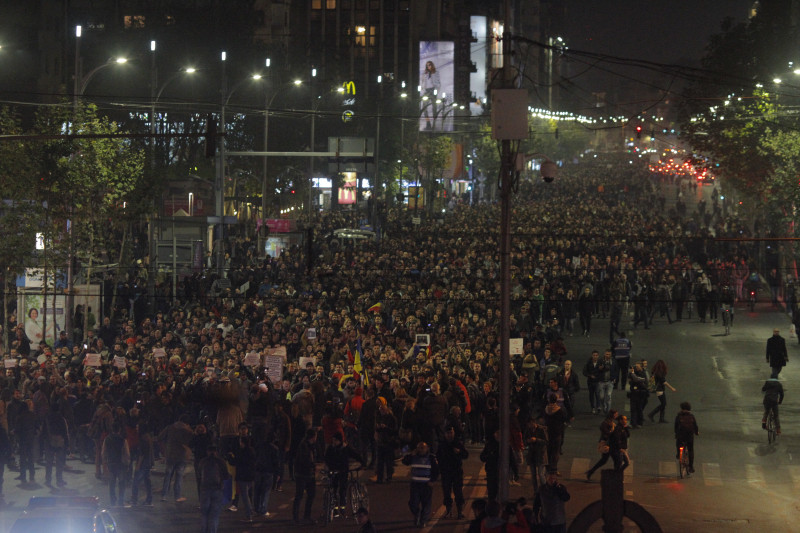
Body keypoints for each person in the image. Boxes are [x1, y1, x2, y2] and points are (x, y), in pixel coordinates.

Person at [402, 441, 439, 528]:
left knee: (426, 504)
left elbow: (436, 470)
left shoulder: (431, 458)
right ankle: (417, 514)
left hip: (426, 485)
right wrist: (411, 455)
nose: (420, 450)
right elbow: (405, 461)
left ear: (427, 448)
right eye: (419, 448)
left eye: (422, 448)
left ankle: (423, 520)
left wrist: (432, 481)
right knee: (413, 503)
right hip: (415, 484)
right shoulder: (414, 456)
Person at [324, 431, 363, 513]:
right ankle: (335, 508)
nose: (334, 442)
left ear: (340, 441)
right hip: (334, 471)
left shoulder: (345, 448)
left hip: (343, 471)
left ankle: (342, 507)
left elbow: (354, 454)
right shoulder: (331, 448)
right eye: (333, 440)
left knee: (342, 489)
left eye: (335, 440)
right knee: (333, 489)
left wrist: (362, 462)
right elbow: (326, 459)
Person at [198, 444, 231, 533]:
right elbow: (226, 476)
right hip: (217, 489)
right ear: (216, 452)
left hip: (205, 489)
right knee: (214, 514)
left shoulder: (202, 461)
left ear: (207, 452)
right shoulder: (221, 461)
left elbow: (199, 474)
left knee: (204, 514)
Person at [438, 425, 468, 519]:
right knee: (446, 492)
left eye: (451, 433)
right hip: (446, 472)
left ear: (454, 433)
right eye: (448, 433)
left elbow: (466, 455)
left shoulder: (458, 443)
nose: (449, 435)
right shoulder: (442, 444)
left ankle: (459, 511)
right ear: (445, 434)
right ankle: (449, 510)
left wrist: (459, 452)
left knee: (458, 491)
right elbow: (438, 456)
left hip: (456, 471)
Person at [292, 428, 317, 525]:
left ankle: (306, 515)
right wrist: (313, 465)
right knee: (299, 495)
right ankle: (295, 517)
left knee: (311, 494)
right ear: (313, 437)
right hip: (302, 474)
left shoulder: (310, 445)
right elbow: (304, 460)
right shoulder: (304, 446)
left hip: (309, 474)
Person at [102, 422, 130, 507]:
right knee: (122, 484)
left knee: (112, 484)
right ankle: (121, 501)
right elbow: (126, 453)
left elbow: (104, 452)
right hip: (120, 464)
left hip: (111, 464)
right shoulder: (123, 440)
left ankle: (112, 501)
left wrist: (105, 463)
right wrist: (127, 463)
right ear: (119, 430)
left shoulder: (107, 439)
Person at [585, 409, 618, 480]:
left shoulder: (610, 422)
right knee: (614, 460)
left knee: (605, 460)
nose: (616, 415)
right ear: (612, 415)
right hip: (607, 443)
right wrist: (613, 433)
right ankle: (616, 477)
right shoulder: (605, 423)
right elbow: (605, 433)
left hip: (610, 443)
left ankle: (591, 471)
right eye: (616, 414)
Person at [43, 401, 69, 488]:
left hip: (49, 441)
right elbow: (65, 431)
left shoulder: (47, 417)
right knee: (59, 462)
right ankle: (59, 479)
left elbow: (44, 430)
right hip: (59, 441)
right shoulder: (61, 418)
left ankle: (48, 479)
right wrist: (66, 442)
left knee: (49, 462)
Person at [674, 402, 699, 473]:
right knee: (690, 450)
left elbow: (676, 426)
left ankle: (679, 453)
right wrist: (696, 432)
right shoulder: (692, 416)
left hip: (681, 435)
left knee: (678, 443)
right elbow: (695, 426)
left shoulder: (679, 416)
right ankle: (691, 466)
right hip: (689, 436)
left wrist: (676, 433)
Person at [420, 60, 441, 130]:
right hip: (427, 91)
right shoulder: (425, 73)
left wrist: (436, 90)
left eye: (429, 65)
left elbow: (438, 82)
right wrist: (422, 89)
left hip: (433, 90)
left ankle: (434, 124)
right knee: (424, 107)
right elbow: (422, 82)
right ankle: (428, 123)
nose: (428, 66)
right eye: (427, 65)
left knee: (434, 107)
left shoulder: (435, 72)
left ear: (432, 65)